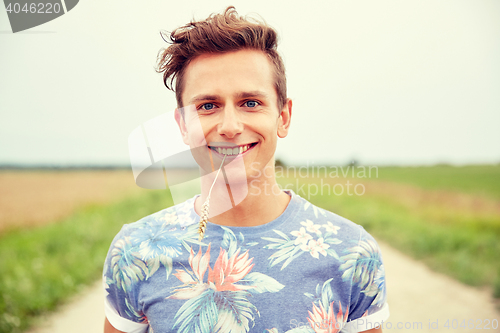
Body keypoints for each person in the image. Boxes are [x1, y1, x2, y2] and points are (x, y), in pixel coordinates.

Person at [103, 6, 389, 333]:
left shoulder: (352, 252)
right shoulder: (134, 251)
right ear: (182, 125)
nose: (229, 126)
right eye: (207, 106)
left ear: (283, 116)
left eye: (250, 103)